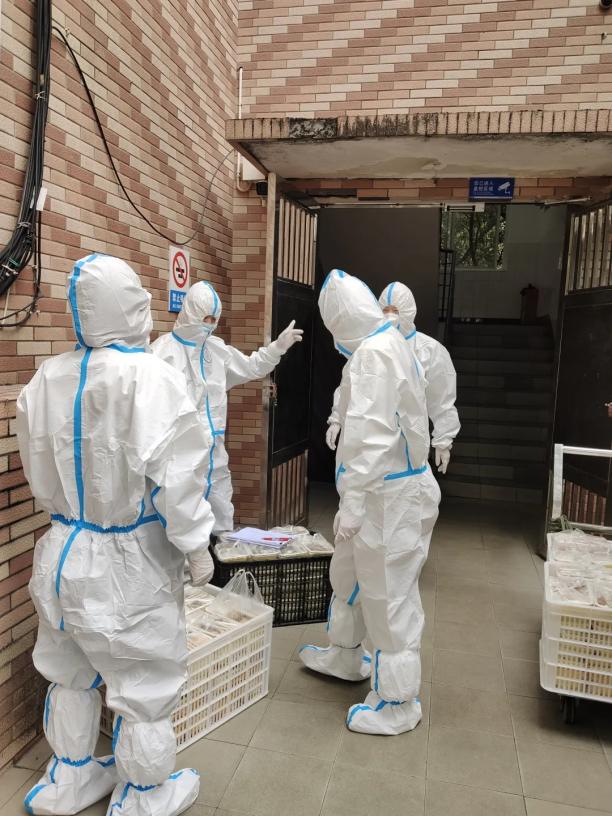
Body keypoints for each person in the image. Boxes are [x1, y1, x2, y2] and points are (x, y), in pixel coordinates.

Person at [17, 254, 215, 816]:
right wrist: (196, 544)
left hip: (62, 553)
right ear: (133, 306)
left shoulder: (47, 378)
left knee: (69, 673)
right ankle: (145, 796)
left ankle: (70, 778)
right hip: (131, 565)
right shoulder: (153, 378)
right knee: (144, 687)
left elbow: (38, 462)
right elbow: (179, 478)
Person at [300, 269, 440, 736]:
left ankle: (397, 703)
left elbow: (373, 434)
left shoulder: (375, 354)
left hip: (387, 498)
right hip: (376, 492)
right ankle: (345, 656)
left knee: (388, 596)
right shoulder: (385, 343)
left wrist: (356, 500)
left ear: (340, 324)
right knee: (349, 577)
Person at [152, 281, 302, 533]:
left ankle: (219, 555)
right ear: (190, 313)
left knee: (220, 517)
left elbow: (251, 367)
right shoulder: (162, 352)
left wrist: (276, 348)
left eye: (214, 319)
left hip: (215, 456)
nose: (210, 325)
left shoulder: (217, 350)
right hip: (178, 456)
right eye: (205, 318)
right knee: (179, 523)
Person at [326, 281, 460, 475]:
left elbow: (442, 400)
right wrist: (337, 418)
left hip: (409, 446)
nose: (390, 315)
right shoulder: (370, 347)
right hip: (371, 446)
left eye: (395, 310)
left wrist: (443, 440)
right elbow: (350, 384)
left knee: (406, 489)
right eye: (385, 310)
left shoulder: (429, 351)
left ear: (408, 311)